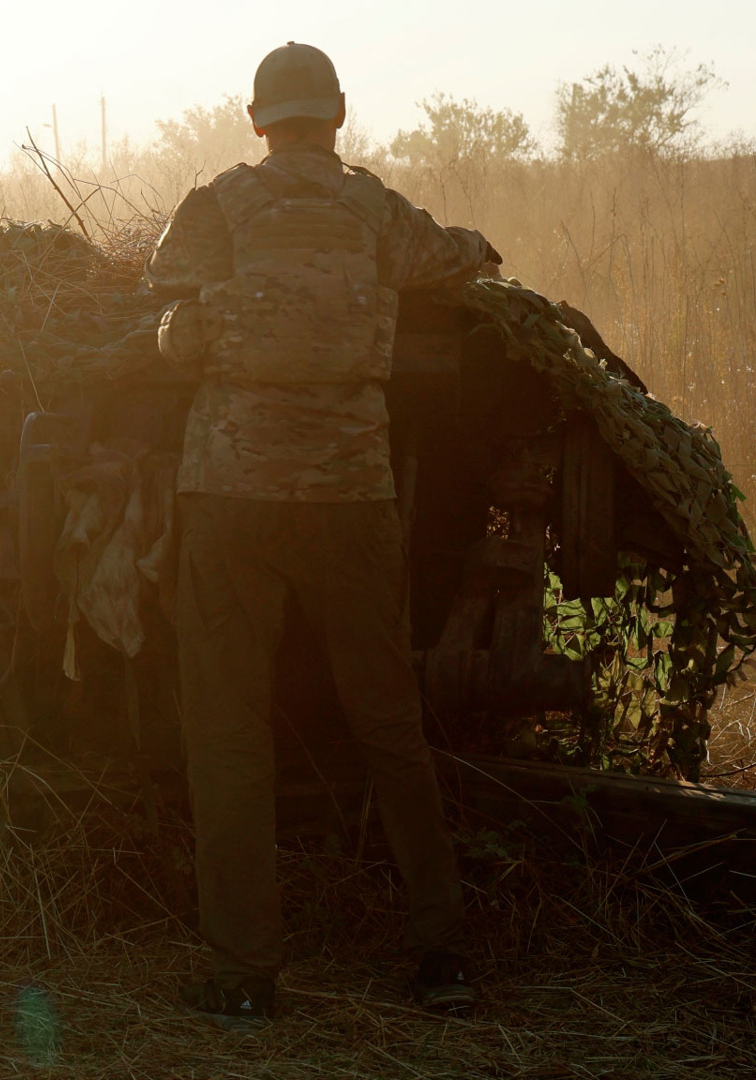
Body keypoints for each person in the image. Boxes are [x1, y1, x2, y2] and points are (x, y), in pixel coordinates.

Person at [147, 43, 501, 1028]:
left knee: (227, 733)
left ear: (256, 120)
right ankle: (441, 959)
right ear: (337, 113)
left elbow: (159, 282)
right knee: (390, 726)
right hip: (352, 495)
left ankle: (246, 973)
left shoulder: (216, 203)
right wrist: (477, 242)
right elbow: (456, 255)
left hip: (230, 494)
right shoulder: (378, 209)